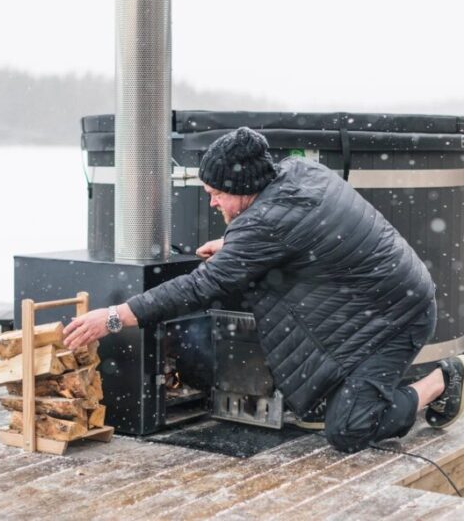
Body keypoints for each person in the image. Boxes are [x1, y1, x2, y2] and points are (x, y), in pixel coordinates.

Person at [63, 126, 464, 452]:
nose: (214, 204)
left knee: (348, 429)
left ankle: (442, 380)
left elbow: (203, 286)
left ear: (243, 188)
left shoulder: (269, 223)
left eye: (217, 194)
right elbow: (302, 234)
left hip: (399, 318)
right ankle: (374, 390)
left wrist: (115, 316)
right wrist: (234, 246)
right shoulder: (296, 174)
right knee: (324, 401)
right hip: (374, 304)